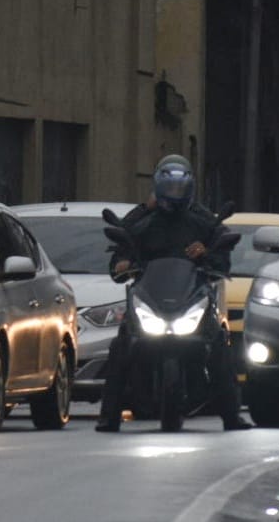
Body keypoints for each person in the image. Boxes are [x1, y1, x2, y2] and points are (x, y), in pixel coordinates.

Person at [96, 154, 251, 432]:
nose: (174, 193)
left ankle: (232, 415)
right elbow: (121, 249)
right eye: (170, 187)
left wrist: (208, 254)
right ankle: (109, 416)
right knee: (121, 348)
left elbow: (221, 252)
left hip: (191, 299)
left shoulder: (203, 220)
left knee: (218, 345)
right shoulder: (142, 218)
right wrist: (123, 264)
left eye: (180, 187)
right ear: (157, 185)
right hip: (151, 299)